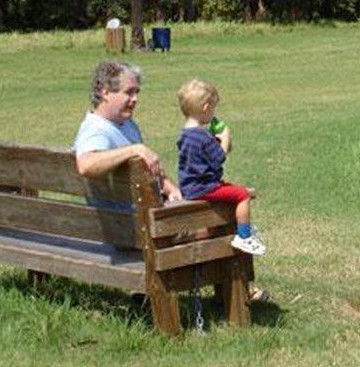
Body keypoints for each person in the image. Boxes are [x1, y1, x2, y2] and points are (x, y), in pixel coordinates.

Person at [73, 61, 182, 209]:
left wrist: (172, 190)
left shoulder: (126, 123)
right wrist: (135, 149)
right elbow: (86, 165)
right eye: (129, 92)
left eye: (137, 92)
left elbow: (150, 171)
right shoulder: (97, 130)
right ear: (104, 92)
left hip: (138, 216)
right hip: (129, 224)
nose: (135, 98)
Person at [176, 79, 265, 256]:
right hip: (203, 188)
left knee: (231, 188)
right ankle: (244, 236)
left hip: (189, 186)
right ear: (205, 108)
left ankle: (243, 224)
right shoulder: (202, 135)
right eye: (213, 108)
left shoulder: (185, 134)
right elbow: (218, 159)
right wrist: (225, 138)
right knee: (242, 195)